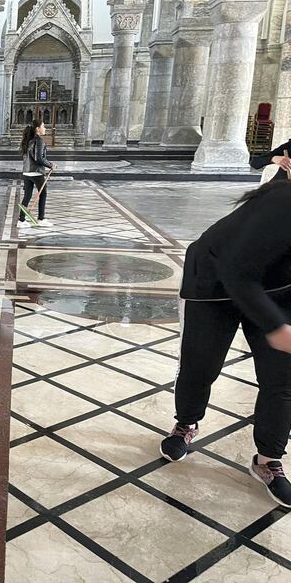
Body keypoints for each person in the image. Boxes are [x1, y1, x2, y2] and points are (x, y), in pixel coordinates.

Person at [159, 140, 291, 507]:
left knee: (282, 378)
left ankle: (268, 461)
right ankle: (185, 424)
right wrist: (277, 327)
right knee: (201, 364)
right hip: (214, 281)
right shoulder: (283, 201)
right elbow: (238, 272)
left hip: (277, 286)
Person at [17, 119, 56, 229]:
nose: (45, 128)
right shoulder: (39, 141)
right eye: (43, 126)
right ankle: (41, 219)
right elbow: (39, 158)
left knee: (27, 195)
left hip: (26, 172)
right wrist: (50, 165)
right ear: (37, 129)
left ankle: (21, 220)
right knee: (43, 193)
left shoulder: (28, 141)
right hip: (36, 172)